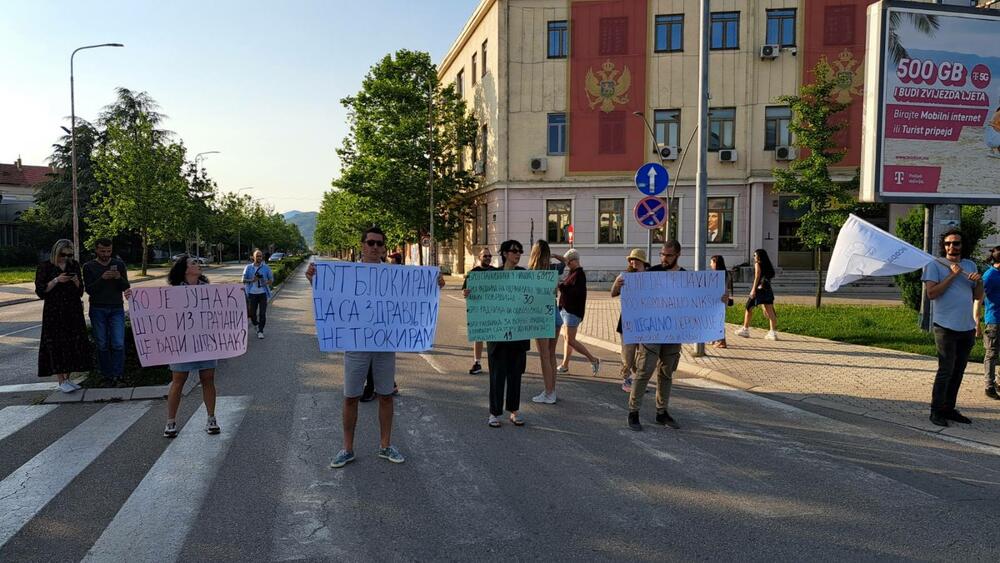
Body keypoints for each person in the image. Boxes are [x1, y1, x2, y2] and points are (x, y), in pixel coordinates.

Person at [306, 226, 445, 467]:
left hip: (385, 345)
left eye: (379, 243)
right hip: (356, 345)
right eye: (370, 242)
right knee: (351, 397)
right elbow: (331, 293)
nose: (375, 247)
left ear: (384, 248)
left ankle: (385, 445)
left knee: (386, 396)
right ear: (362, 245)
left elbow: (414, 295)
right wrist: (314, 279)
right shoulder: (348, 273)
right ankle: (347, 448)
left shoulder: (394, 275)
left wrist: (435, 284)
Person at [923, 229, 982, 427]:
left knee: (958, 371)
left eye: (956, 243)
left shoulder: (970, 265)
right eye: (948, 243)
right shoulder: (935, 265)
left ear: (962, 245)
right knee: (945, 371)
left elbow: (977, 296)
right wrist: (952, 275)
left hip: (966, 327)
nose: (952, 247)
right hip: (945, 327)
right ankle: (936, 411)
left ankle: (949, 408)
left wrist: (978, 281)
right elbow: (931, 294)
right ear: (944, 245)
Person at [627, 240, 684, 431]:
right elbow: (630, 294)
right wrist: (621, 285)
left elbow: (700, 301)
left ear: (677, 255)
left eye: (668, 255)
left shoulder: (686, 277)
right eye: (662, 254)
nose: (664, 258)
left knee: (666, 373)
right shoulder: (652, 273)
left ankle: (662, 412)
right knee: (644, 371)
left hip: (673, 333)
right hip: (651, 331)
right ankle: (633, 412)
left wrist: (721, 298)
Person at [163, 255, 221, 438]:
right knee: (178, 380)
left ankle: (211, 418)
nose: (198, 265)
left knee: (208, 379)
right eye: (193, 263)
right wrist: (133, 298)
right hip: (182, 343)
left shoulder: (207, 290)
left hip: (205, 342)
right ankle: (170, 421)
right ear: (185, 269)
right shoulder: (174, 292)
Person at [35, 239, 92, 393]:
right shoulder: (45, 267)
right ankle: (61, 380)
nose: (66, 258)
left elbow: (80, 291)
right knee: (57, 344)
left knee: (73, 343)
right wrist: (56, 280)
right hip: (54, 311)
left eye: (69, 255)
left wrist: (76, 281)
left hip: (72, 309)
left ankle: (68, 378)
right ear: (56, 252)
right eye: (63, 254)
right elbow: (41, 291)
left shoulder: (74, 265)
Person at [483, 239, 529, 427]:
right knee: (497, 375)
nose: (518, 254)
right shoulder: (492, 276)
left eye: (520, 251)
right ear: (504, 253)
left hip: (518, 335)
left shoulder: (524, 275)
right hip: (497, 335)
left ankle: (514, 411)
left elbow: (532, 298)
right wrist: (470, 294)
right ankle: (494, 413)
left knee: (515, 375)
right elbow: (481, 298)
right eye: (514, 251)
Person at [83, 238, 131, 386]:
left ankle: (118, 375)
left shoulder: (119, 264)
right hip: (98, 308)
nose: (106, 254)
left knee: (118, 343)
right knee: (102, 343)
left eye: (108, 251)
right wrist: (102, 278)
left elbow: (126, 286)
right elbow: (89, 290)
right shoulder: (89, 266)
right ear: (96, 250)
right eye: (102, 251)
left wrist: (118, 278)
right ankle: (106, 375)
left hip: (116, 307)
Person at [528, 240, 564, 404]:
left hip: (541, 315)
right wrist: (554, 255)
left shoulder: (531, 273)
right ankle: (551, 390)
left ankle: (549, 393)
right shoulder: (553, 268)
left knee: (544, 356)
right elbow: (565, 261)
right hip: (555, 313)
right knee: (551, 354)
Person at [555, 249, 601, 376]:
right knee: (567, 339)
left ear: (574, 261)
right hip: (566, 310)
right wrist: (554, 255)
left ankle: (593, 360)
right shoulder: (573, 272)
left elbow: (576, 293)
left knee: (570, 340)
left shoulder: (579, 275)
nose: (567, 265)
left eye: (569, 263)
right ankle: (565, 365)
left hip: (573, 311)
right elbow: (564, 260)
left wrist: (561, 286)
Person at [612, 249, 649, 393]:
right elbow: (613, 293)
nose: (633, 262)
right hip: (628, 319)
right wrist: (617, 285)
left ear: (643, 262)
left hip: (645, 320)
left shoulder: (651, 277)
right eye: (631, 259)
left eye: (636, 259)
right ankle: (627, 379)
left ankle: (639, 380)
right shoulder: (625, 276)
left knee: (643, 353)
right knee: (628, 352)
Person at [463, 247, 496, 375]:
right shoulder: (473, 273)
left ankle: (495, 363)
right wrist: (465, 293)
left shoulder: (496, 272)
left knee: (494, 338)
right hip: (479, 309)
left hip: (494, 310)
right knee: (479, 336)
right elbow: (465, 291)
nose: (488, 258)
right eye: (485, 256)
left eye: (489, 256)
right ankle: (477, 362)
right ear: (479, 258)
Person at [735, 249, 778, 340]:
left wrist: (753, 290)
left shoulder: (757, 264)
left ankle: (745, 330)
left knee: (748, 307)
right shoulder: (768, 265)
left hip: (758, 290)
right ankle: (773, 333)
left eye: (755, 255)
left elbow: (757, 277)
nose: (754, 257)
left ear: (759, 256)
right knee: (770, 310)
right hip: (767, 289)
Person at [979, 246, 1000, 400]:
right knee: (992, 353)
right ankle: (989, 385)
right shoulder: (990, 275)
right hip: (994, 321)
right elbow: (978, 296)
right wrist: (975, 320)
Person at [242, 249, 273, 340]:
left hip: (263, 293)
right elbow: (243, 280)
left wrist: (265, 282)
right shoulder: (248, 267)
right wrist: (252, 280)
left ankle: (260, 331)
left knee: (262, 313)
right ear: (253, 257)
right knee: (252, 313)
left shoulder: (266, 267)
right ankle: (256, 324)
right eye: (257, 256)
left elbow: (271, 280)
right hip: (251, 293)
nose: (259, 257)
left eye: (260, 256)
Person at [710, 255, 733, 348]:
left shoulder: (717, 274)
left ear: (716, 263)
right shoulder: (726, 273)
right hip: (723, 299)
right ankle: (715, 339)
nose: (710, 264)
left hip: (719, 300)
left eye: (711, 262)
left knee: (718, 321)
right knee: (716, 320)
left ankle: (722, 341)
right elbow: (728, 287)